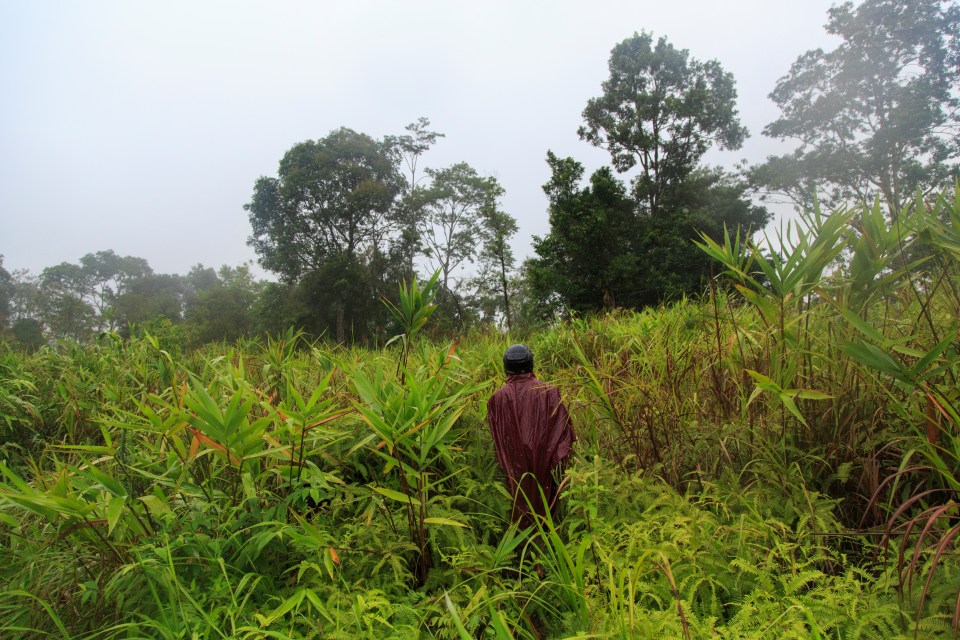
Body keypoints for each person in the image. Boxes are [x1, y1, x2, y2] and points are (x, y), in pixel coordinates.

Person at [487, 344, 575, 530]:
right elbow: (564, 435)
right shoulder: (549, 392)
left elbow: (498, 442)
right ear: (531, 364)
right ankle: (547, 540)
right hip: (546, 470)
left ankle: (521, 545)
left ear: (506, 367)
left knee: (519, 505)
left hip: (514, 471)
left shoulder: (497, 399)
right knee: (545, 507)